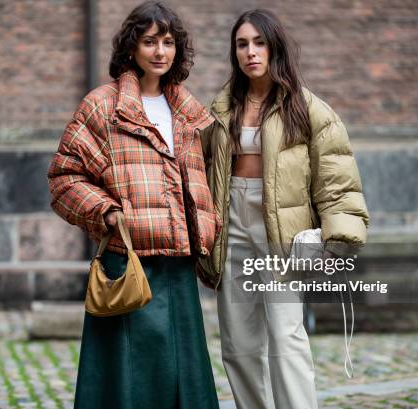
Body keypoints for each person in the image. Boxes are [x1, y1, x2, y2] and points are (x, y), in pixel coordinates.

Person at [47, 2, 220, 409]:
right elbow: (63, 178)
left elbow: (204, 178)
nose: (160, 51)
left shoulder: (189, 111)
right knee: (129, 382)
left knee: (184, 380)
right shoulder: (102, 106)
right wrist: (106, 212)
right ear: (131, 48)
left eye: (168, 42)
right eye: (149, 42)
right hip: (128, 265)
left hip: (179, 267)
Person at [196, 9, 369, 409]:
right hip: (232, 225)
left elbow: (336, 176)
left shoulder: (308, 109)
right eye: (242, 44)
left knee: (286, 335)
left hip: (282, 233)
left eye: (259, 42)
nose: (251, 52)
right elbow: (199, 170)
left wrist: (338, 233)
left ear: (276, 47)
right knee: (238, 342)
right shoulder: (219, 109)